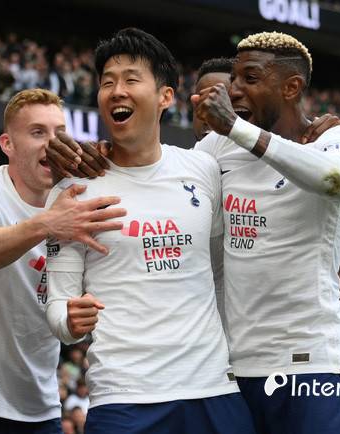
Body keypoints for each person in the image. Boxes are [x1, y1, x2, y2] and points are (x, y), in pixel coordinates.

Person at [44, 28, 254, 434]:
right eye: (107, 82)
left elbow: (218, 273)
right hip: (125, 397)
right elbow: (58, 307)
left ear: (165, 97)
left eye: (130, 79)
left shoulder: (202, 170)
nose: (117, 91)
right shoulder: (74, 191)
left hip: (212, 389)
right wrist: (69, 319)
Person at [191, 31, 340, 434]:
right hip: (235, 368)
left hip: (314, 366)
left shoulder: (331, 139)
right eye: (234, 78)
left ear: (291, 87)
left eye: (250, 78)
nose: (234, 89)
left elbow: (338, 180)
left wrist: (236, 129)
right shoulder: (219, 147)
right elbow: (171, 180)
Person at [0, 88, 126, 434]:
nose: (53, 143)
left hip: (39, 410)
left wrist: (74, 321)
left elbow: (65, 320)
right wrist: (48, 222)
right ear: (8, 144)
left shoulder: (79, 202)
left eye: (59, 132)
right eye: (37, 132)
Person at [192, 57, 340, 265]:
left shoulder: (294, 160)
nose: (213, 110)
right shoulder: (185, 167)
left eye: (227, 103)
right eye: (204, 100)